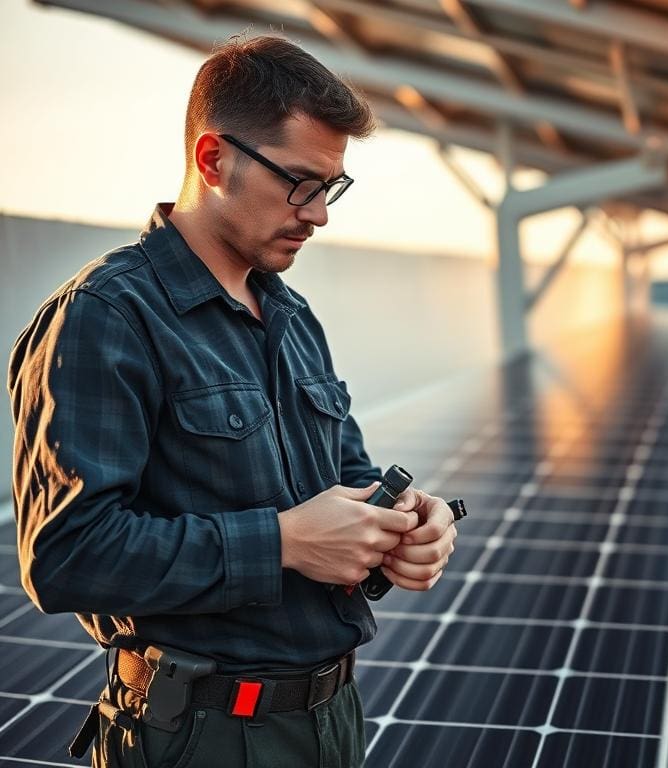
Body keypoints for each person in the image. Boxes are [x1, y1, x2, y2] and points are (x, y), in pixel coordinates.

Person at [7, 34, 457, 767]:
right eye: (301, 183)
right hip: (202, 735)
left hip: (334, 719)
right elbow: (64, 555)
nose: (319, 215)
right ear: (214, 160)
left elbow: (345, 482)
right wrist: (281, 541)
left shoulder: (292, 315)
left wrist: (408, 523)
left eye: (331, 188)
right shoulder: (105, 316)